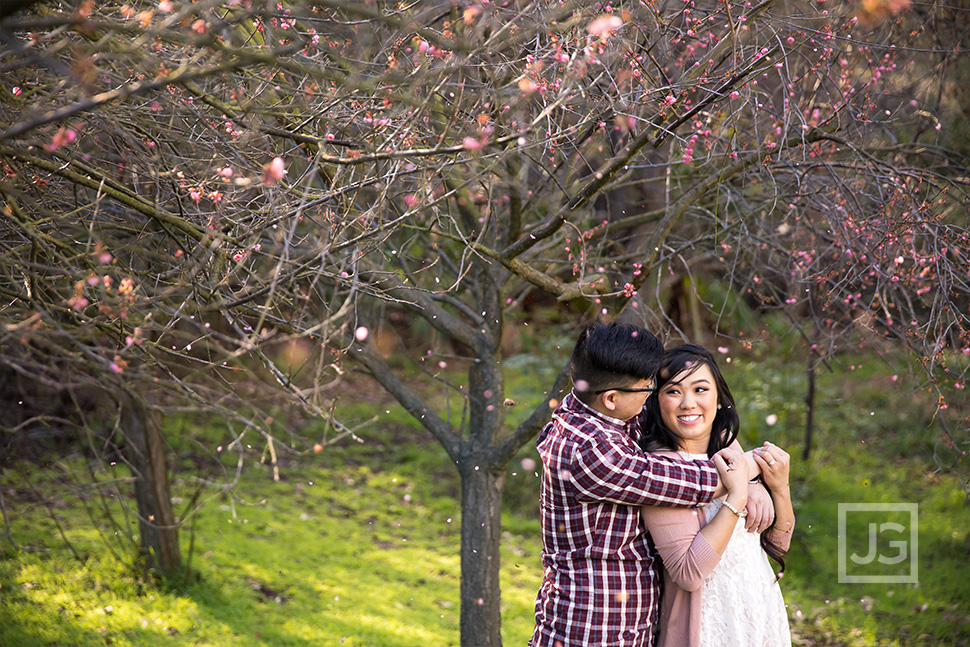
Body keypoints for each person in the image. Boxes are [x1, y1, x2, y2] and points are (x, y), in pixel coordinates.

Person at [529, 322, 764, 647]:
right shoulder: (592, 453)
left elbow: (704, 430)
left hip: (629, 622)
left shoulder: (600, 412)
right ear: (611, 398)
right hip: (594, 627)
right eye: (647, 388)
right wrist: (753, 470)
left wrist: (755, 484)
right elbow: (694, 481)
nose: (653, 394)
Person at [639, 344, 795, 647]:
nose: (688, 403)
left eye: (700, 389)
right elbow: (688, 573)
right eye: (673, 392)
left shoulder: (729, 450)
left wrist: (778, 488)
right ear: (656, 401)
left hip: (759, 614)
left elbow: (778, 543)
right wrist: (736, 497)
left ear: (718, 397)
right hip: (708, 625)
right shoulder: (660, 472)